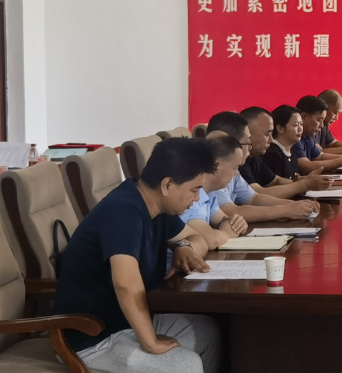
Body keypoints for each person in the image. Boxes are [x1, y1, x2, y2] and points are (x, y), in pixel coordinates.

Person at [53, 138, 221, 373]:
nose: (197, 198)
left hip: (125, 322)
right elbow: (126, 283)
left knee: (206, 332)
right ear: (167, 185)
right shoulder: (124, 211)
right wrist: (151, 342)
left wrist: (182, 246)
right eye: (194, 190)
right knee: (185, 365)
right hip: (91, 338)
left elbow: (197, 239)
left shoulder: (158, 207)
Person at [206, 111, 322, 223]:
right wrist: (286, 210)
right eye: (248, 142)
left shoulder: (235, 170)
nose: (250, 147)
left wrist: (293, 205)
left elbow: (254, 198)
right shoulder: (214, 172)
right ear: (232, 145)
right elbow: (231, 212)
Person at [240, 106, 331, 198]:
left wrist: (302, 182)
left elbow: (275, 181)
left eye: (301, 124)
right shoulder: (240, 162)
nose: (271, 140)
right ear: (247, 133)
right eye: (267, 134)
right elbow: (257, 195)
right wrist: (304, 185)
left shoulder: (254, 157)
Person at [179, 132, 249, 251]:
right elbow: (211, 240)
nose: (235, 174)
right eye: (235, 167)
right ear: (217, 165)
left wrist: (238, 224)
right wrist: (226, 233)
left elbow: (225, 220)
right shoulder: (191, 196)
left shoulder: (209, 193)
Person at [292, 95, 342, 174]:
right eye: (319, 120)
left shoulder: (307, 135)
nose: (322, 125)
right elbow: (308, 166)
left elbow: (320, 156)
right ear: (304, 117)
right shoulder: (293, 136)